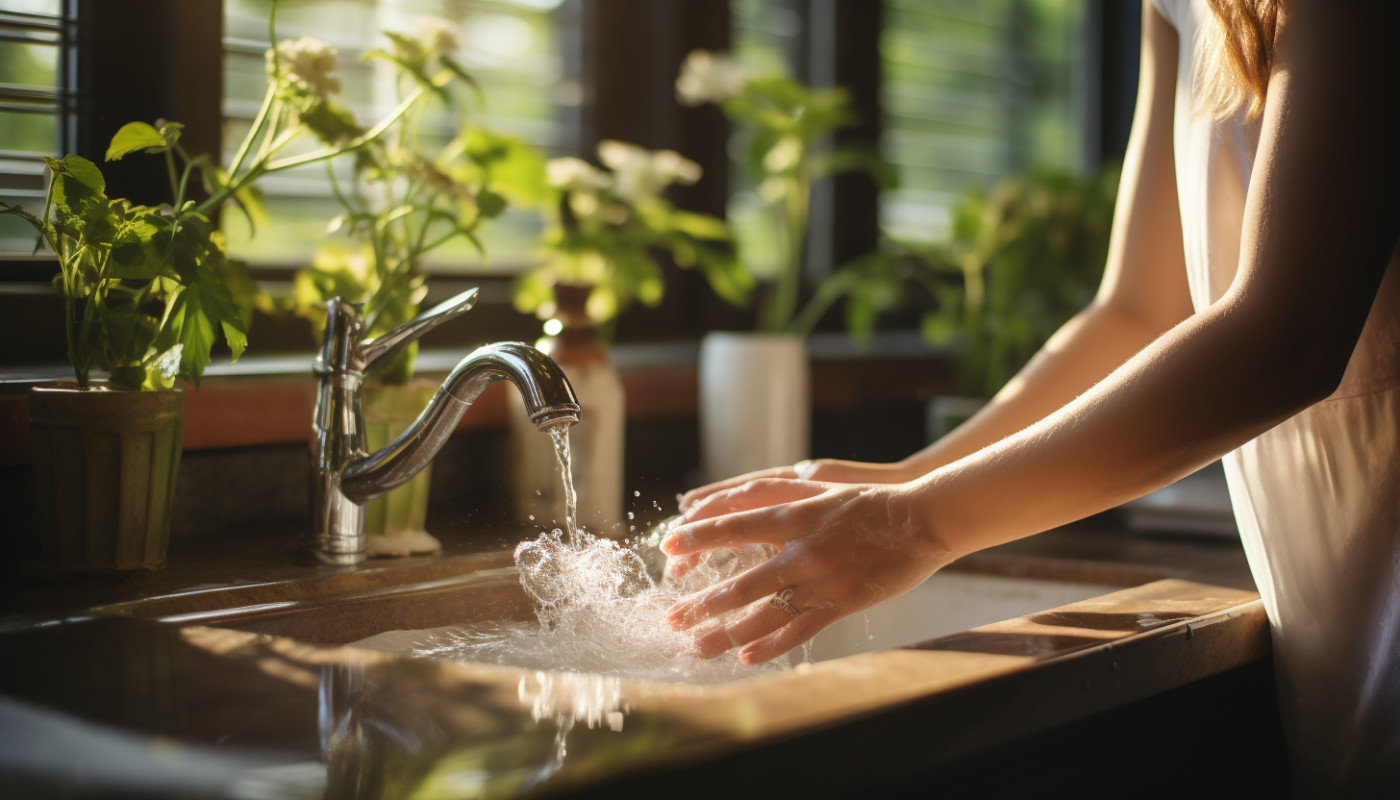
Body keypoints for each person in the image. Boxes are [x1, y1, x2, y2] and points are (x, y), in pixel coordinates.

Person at [660, 0, 1400, 793]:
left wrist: (919, 521)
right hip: (1336, 602)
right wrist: (908, 481)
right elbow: (1140, 311)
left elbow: (1287, 339)